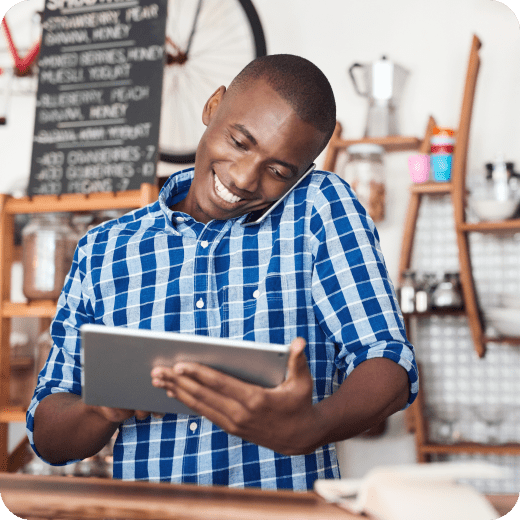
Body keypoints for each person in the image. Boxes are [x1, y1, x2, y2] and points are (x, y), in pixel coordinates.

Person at [27, 54, 418, 491]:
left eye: (277, 171)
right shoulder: (105, 248)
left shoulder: (318, 207)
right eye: (239, 141)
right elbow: (47, 431)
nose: (244, 178)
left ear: (301, 174)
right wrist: (100, 409)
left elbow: (387, 360)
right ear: (213, 106)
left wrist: (313, 425)